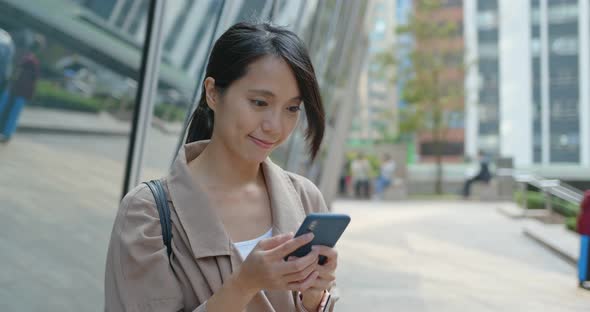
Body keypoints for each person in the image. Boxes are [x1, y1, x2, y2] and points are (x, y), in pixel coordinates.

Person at [105, 22, 338, 312]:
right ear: (213, 93)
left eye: (292, 108)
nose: (275, 126)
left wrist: (314, 299)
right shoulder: (146, 214)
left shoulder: (305, 198)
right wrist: (243, 285)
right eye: (259, 102)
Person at [0, 35, 41, 142]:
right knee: (13, 113)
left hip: (14, 89)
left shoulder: (24, 58)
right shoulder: (33, 61)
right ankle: (7, 133)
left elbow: (15, 74)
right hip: (20, 91)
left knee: (5, 109)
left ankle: (6, 132)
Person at [577, 190, 590, 289]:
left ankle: (583, 279)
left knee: (585, 257)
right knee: (585, 257)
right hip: (587, 231)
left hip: (585, 231)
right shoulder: (588, 195)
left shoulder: (587, 194)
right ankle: (582, 280)